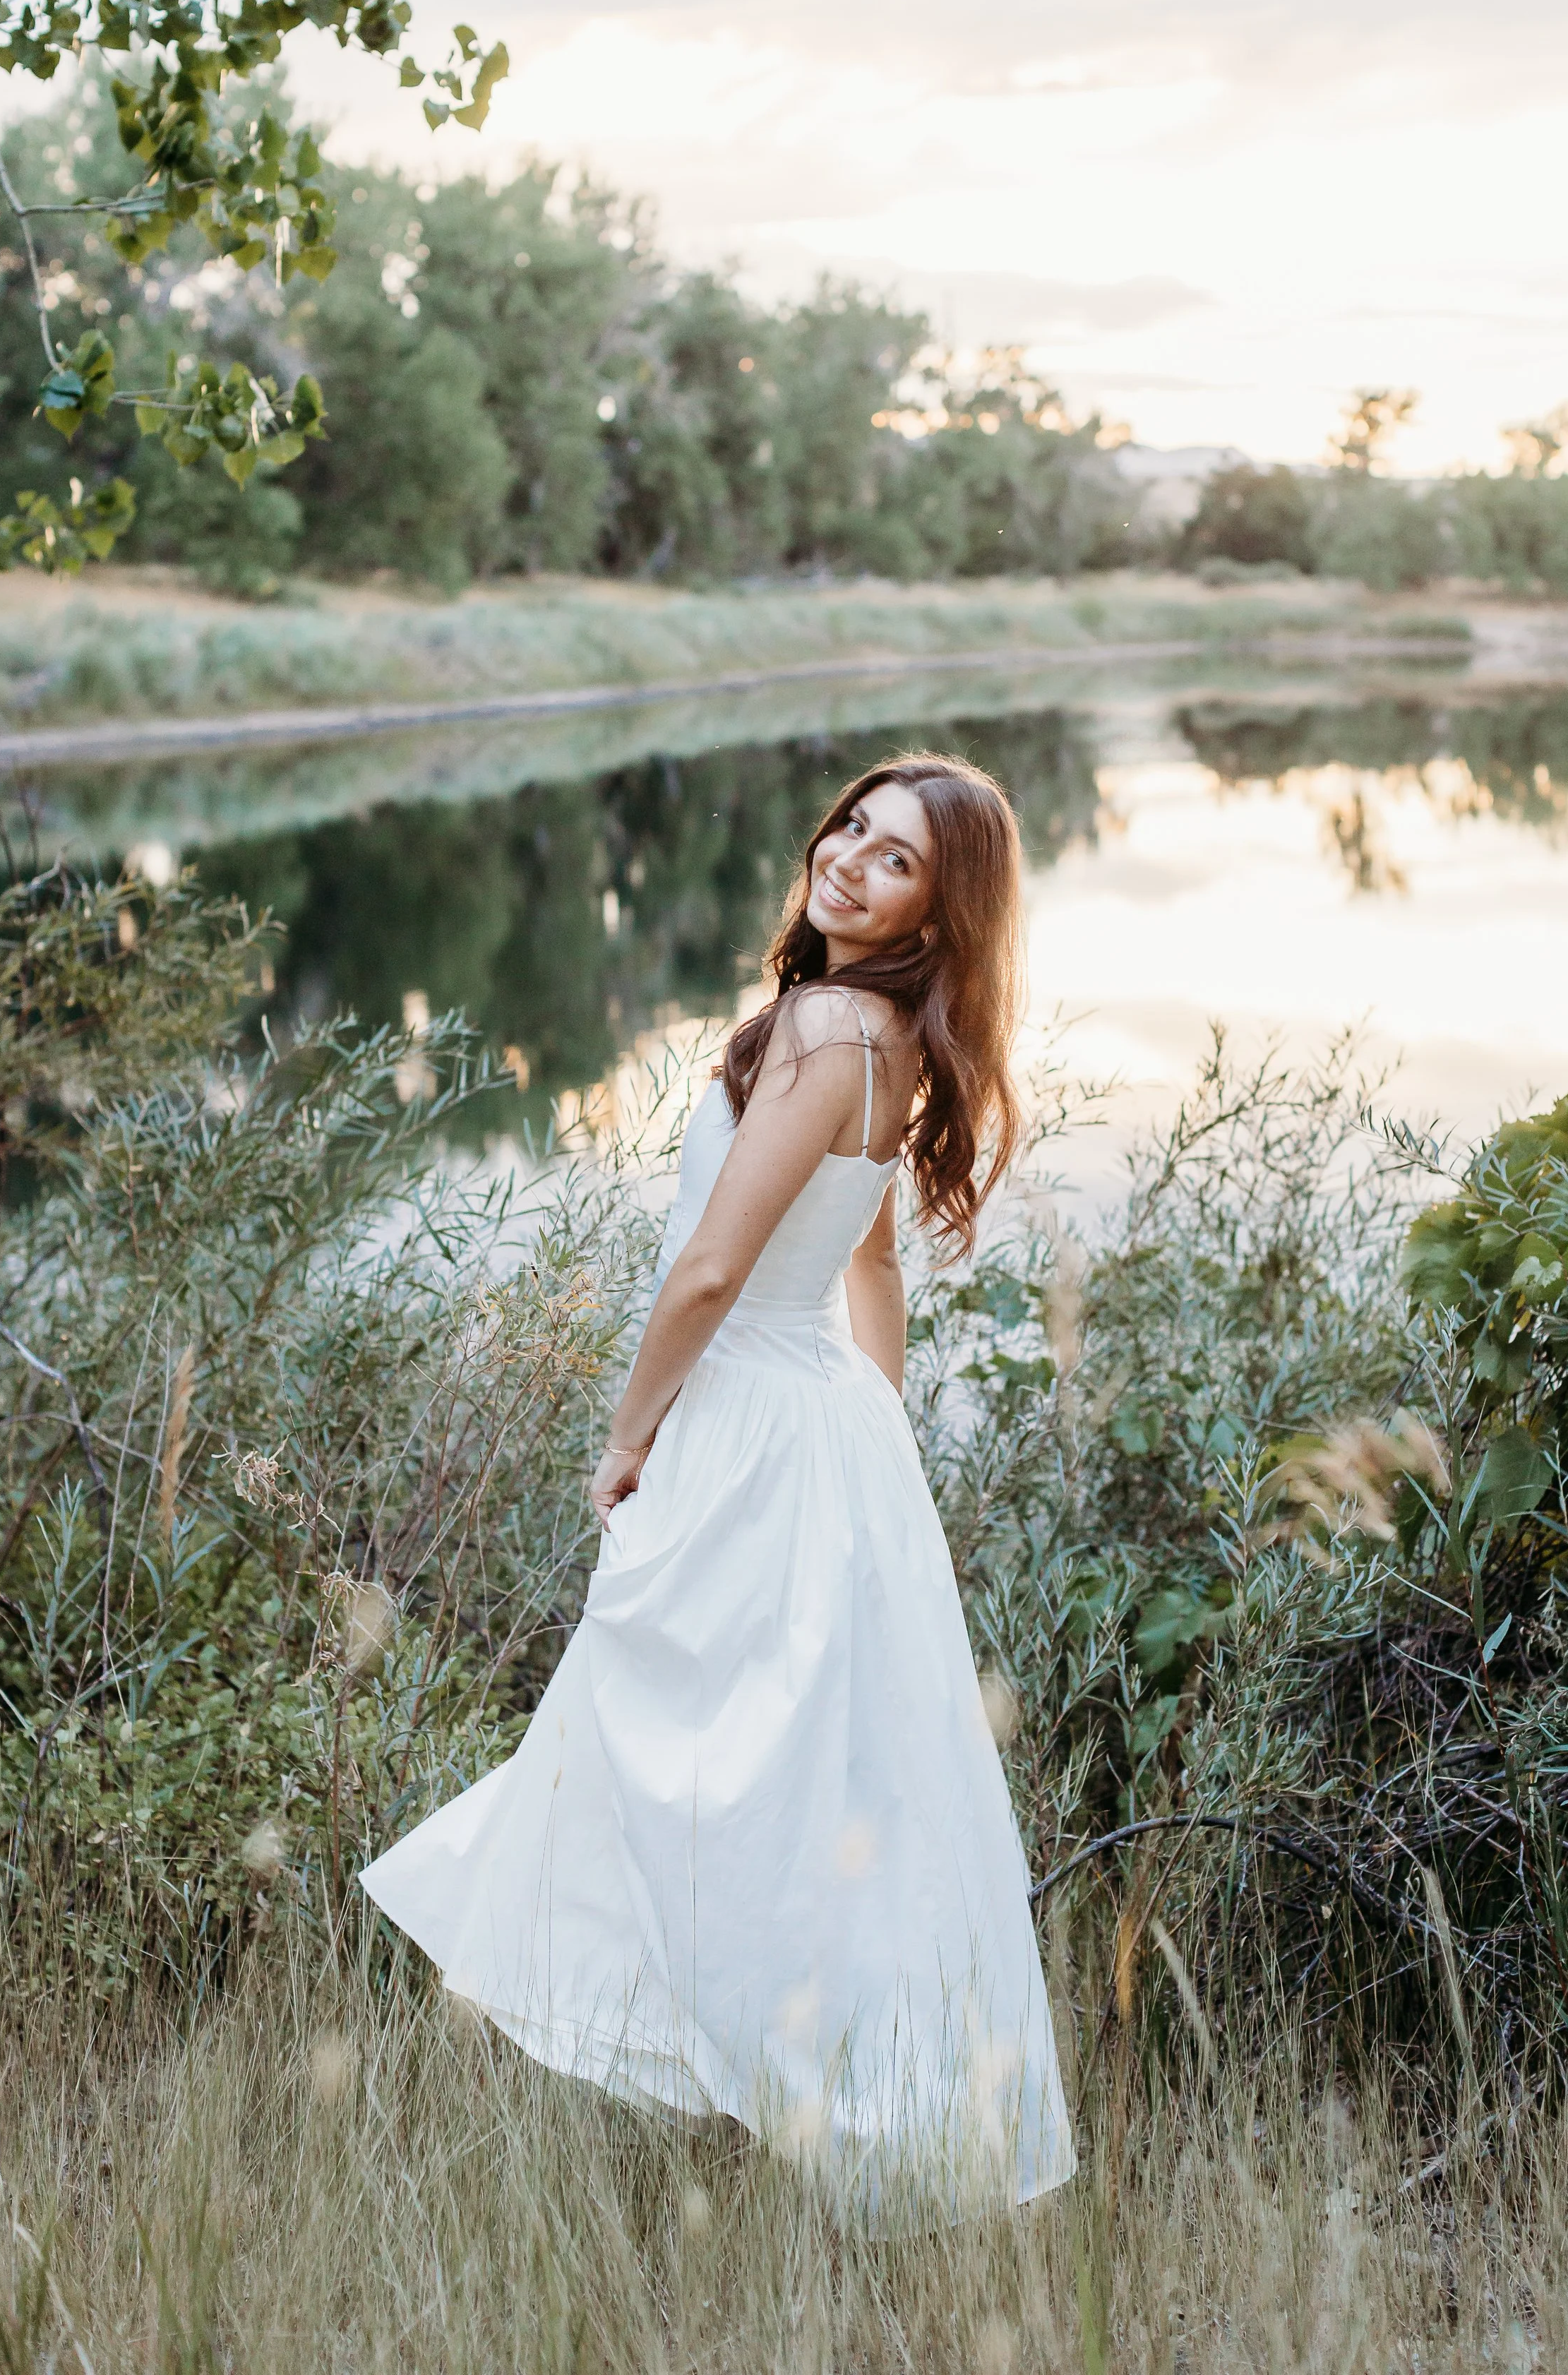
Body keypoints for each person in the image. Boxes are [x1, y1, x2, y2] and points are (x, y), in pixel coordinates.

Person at [361, 753, 1075, 2209]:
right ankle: (781, 2087)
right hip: (817, 1429)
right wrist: (874, 1443)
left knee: (672, 1751)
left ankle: (730, 2071)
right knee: (792, 1772)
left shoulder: (821, 1025)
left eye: (895, 866)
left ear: (941, 916)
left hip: (747, 1415)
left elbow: (708, 1271)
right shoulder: (892, 1041)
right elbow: (869, 1260)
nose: (851, 864)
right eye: (851, 832)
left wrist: (629, 1437)